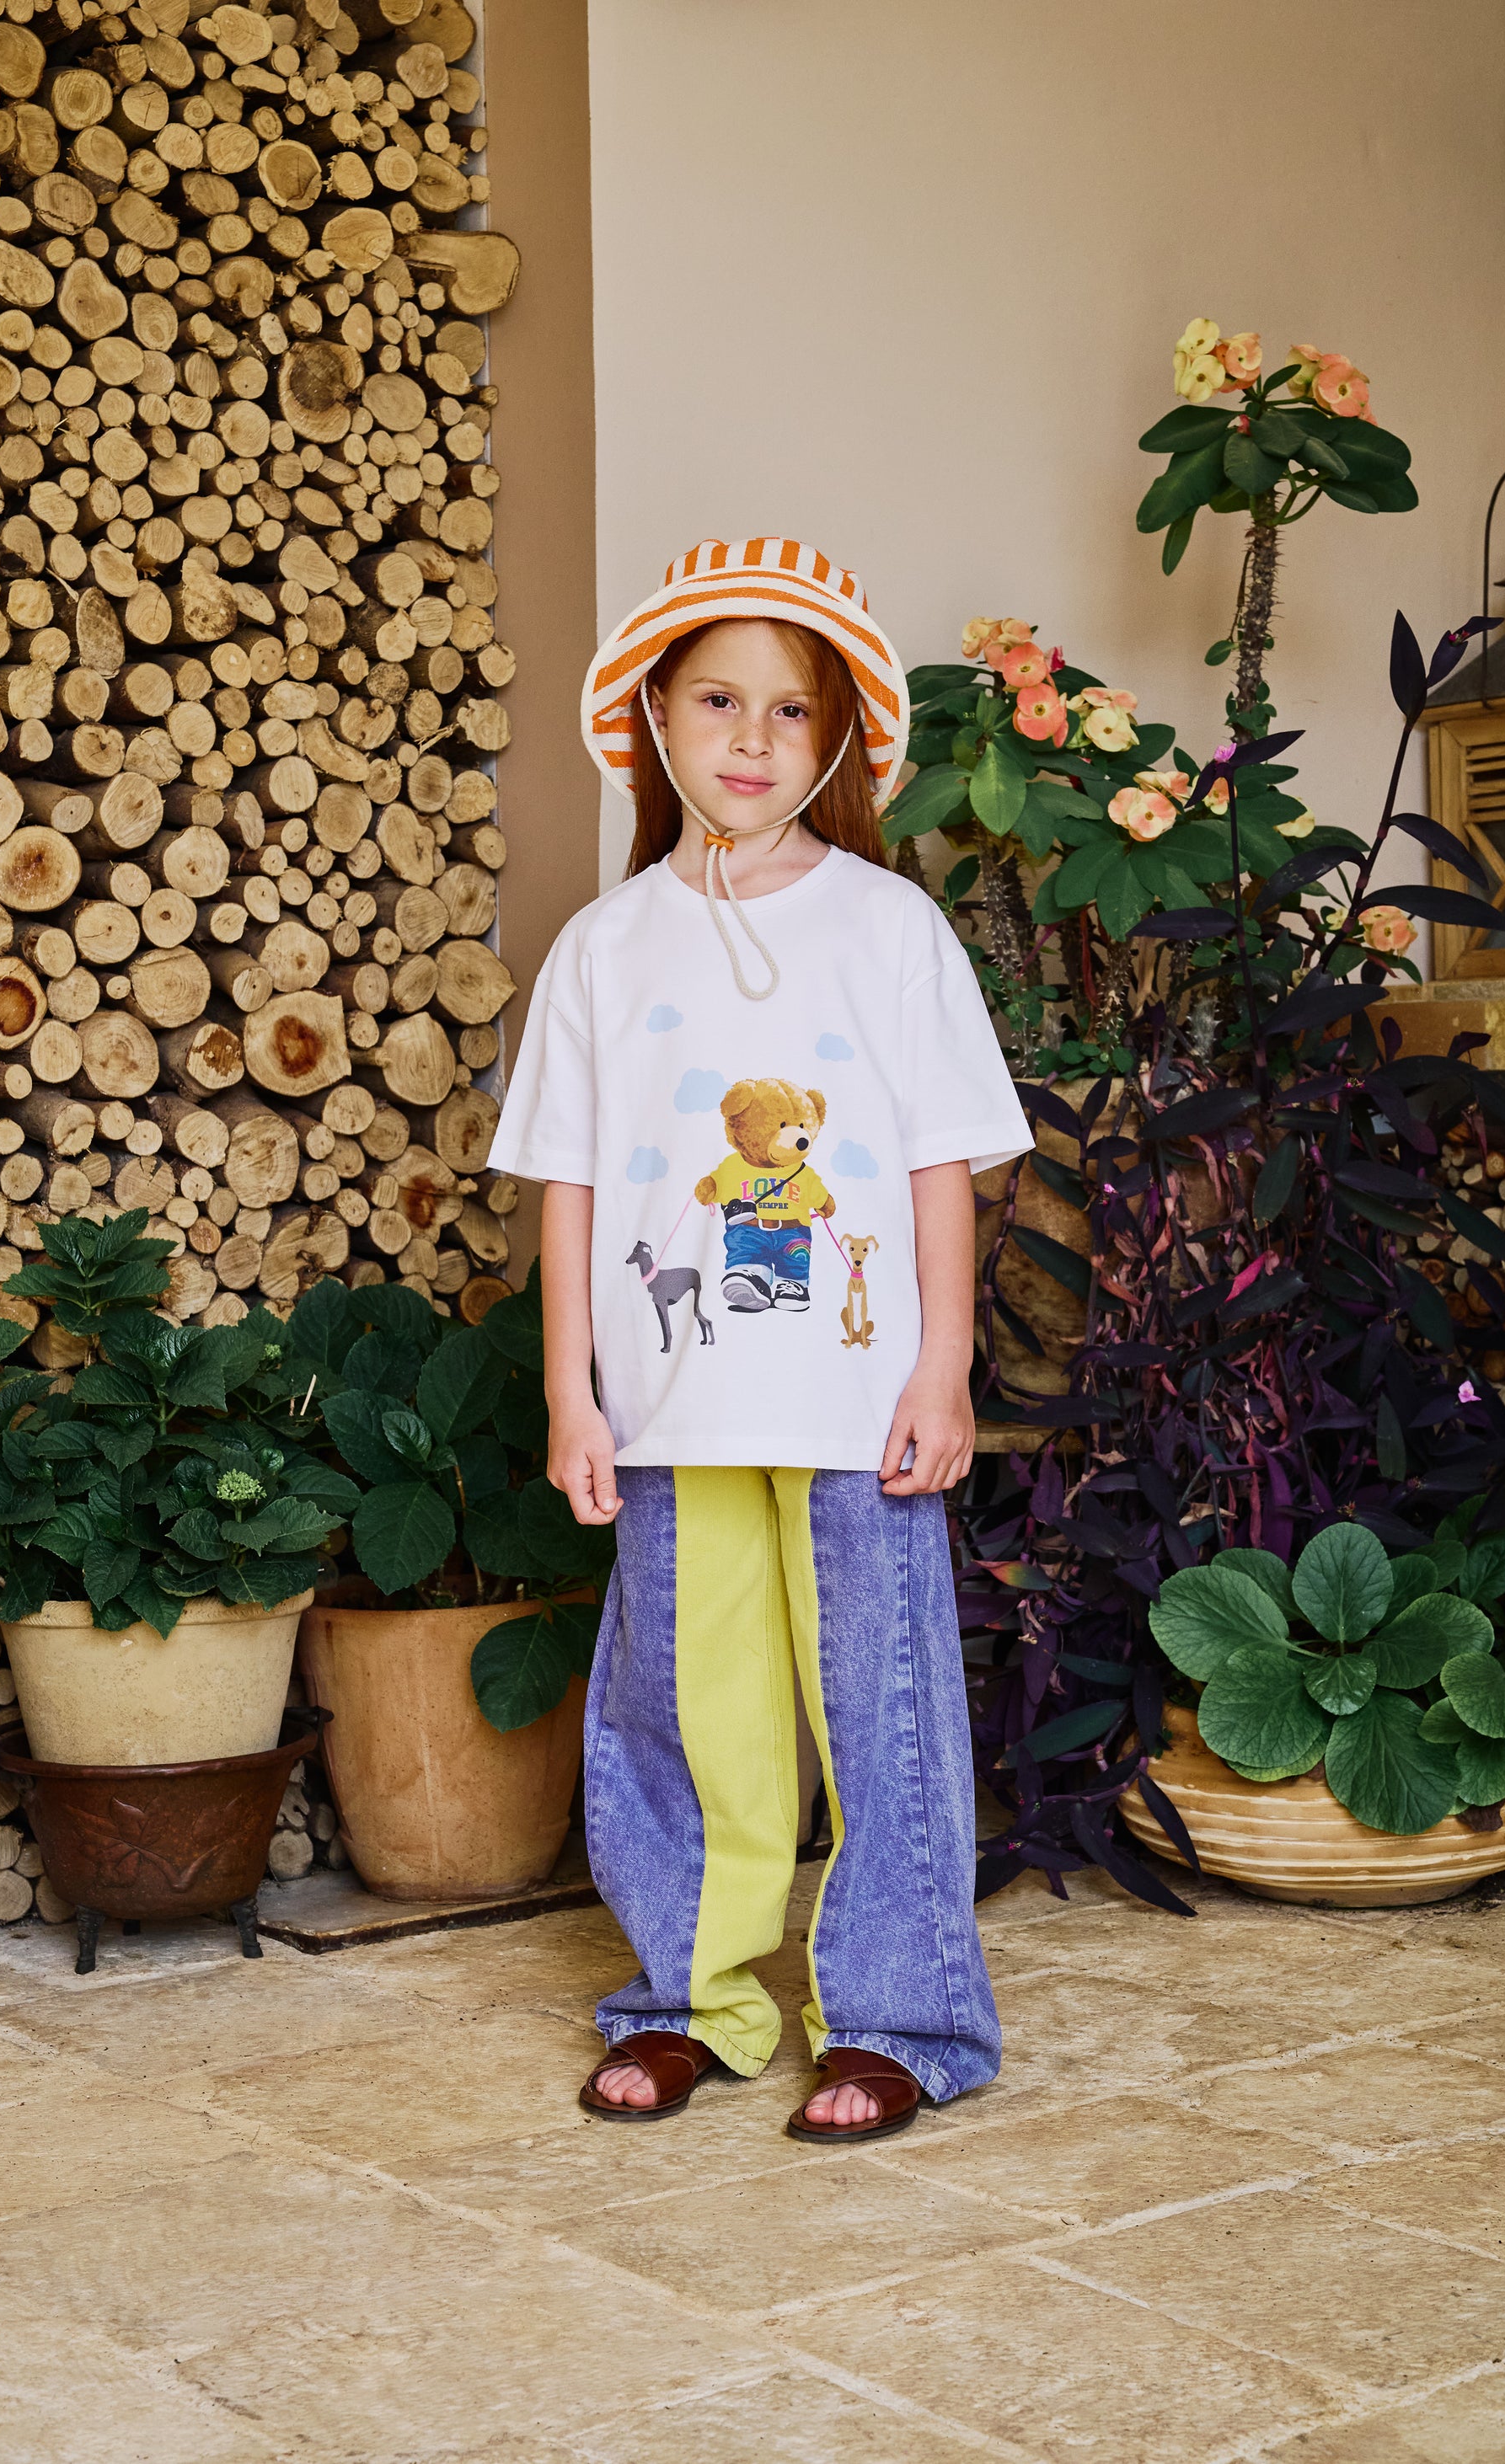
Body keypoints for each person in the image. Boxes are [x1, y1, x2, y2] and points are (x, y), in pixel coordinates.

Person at [486, 537, 1033, 2141]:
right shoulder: (604, 947)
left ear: (837, 738)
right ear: (653, 715)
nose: (751, 737)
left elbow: (939, 1162)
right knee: (680, 1710)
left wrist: (940, 1365)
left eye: (791, 710)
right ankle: (688, 2000)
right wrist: (571, 1394)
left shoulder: (889, 928)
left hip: (860, 1404)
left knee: (882, 1707)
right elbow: (571, 1188)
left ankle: (898, 2018)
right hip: (670, 1411)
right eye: (718, 699)